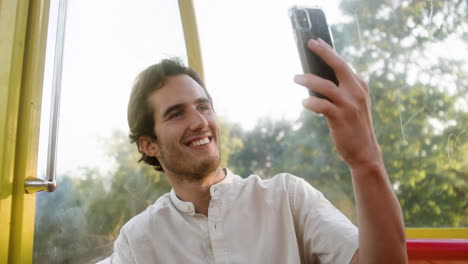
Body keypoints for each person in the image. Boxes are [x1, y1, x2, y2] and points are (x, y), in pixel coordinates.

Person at [100, 39, 407, 263]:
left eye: (203, 107)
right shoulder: (138, 241)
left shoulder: (288, 198)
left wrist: (365, 160)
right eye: (176, 114)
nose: (199, 122)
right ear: (148, 144)